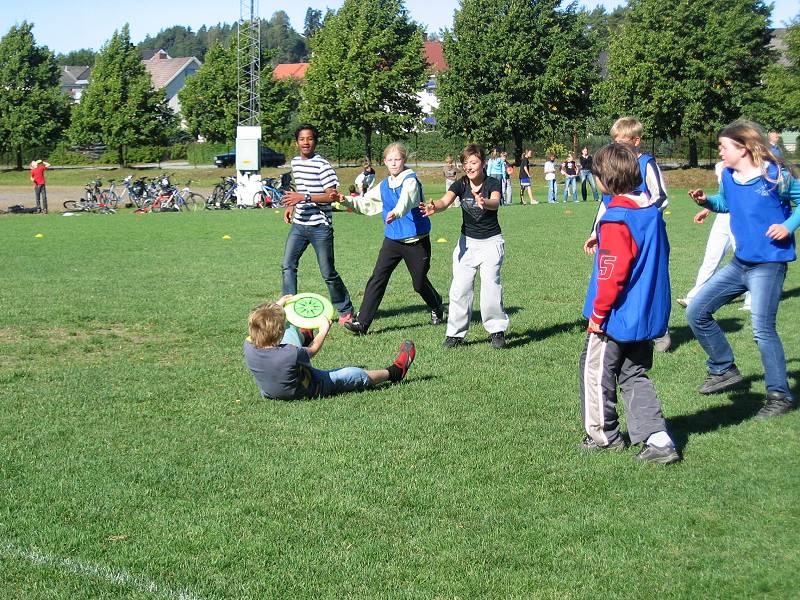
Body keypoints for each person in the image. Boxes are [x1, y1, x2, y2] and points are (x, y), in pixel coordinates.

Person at [687, 120, 800, 418]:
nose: (720, 152)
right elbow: (726, 203)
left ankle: (779, 396)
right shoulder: (728, 175)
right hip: (740, 263)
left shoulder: (775, 175)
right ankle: (724, 369)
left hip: (769, 264)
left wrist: (787, 226)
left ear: (744, 147)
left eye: (724, 147)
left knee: (762, 330)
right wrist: (707, 201)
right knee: (696, 310)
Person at [579, 142, 679, 464]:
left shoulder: (616, 219)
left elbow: (612, 274)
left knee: (594, 369)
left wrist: (598, 314)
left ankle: (603, 436)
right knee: (633, 374)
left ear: (604, 180)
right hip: (646, 313)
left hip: (616, 316)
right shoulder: (649, 212)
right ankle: (659, 441)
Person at [583, 116, 671, 351]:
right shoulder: (612, 167)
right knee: (610, 276)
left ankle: (656, 328)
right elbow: (605, 203)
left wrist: (642, 218)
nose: (617, 144)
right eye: (615, 139)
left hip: (640, 231)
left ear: (636, 140)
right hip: (614, 231)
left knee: (643, 279)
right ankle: (605, 318)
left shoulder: (645, 163)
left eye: (622, 140)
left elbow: (660, 195)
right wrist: (594, 231)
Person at [343, 142, 444, 335]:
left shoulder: (411, 180)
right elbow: (366, 203)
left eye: (397, 159)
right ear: (385, 162)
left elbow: (407, 200)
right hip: (392, 240)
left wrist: (396, 213)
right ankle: (362, 323)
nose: (394, 163)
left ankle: (436, 305)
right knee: (377, 278)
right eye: (390, 160)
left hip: (416, 240)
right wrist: (345, 201)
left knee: (419, 283)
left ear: (404, 160)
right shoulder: (384, 185)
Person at [420, 144, 509, 349]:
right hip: (466, 244)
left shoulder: (492, 182)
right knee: (459, 288)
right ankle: (455, 334)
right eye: (466, 163)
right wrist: (435, 207)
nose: (469, 166)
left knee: (490, 287)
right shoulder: (460, 184)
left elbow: (495, 202)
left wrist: (483, 201)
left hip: (491, 242)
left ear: (483, 163)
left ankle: (497, 331)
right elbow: (445, 201)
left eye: (473, 162)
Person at [244, 295, 415, 400]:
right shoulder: (289, 354)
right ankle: (394, 372)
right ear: (277, 334)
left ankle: (305, 334)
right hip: (307, 388)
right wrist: (323, 330)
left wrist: (277, 306)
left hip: (270, 392)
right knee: (347, 375)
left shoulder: (249, 345)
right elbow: (313, 350)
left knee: (291, 331)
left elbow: (267, 328)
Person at [280, 124, 356, 325]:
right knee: (288, 265)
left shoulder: (322, 165)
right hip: (299, 224)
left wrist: (303, 197)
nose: (306, 142)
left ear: (315, 141)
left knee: (328, 272)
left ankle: (345, 310)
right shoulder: (295, 162)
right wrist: (291, 206)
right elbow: (298, 188)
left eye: (310, 139)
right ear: (297, 142)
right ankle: (288, 309)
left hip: (320, 227)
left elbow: (331, 196)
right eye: (302, 139)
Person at [677, 162, 751, 311]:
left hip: (740, 218)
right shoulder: (721, 167)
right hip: (723, 217)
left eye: (725, 146)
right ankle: (694, 297)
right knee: (711, 257)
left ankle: (752, 299)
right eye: (720, 146)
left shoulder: (749, 167)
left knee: (745, 258)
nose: (721, 151)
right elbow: (723, 196)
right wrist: (707, 208)